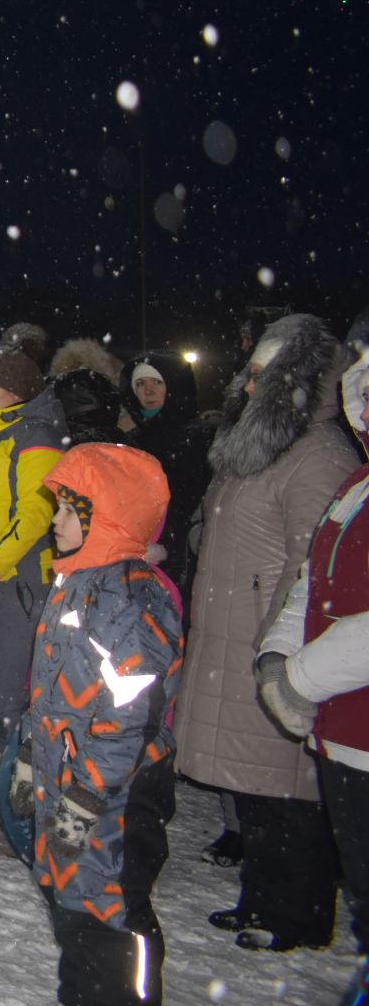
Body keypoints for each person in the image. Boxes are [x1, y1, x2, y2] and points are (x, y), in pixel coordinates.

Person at [174, 312, 358, 954]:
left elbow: (316, 566)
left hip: (267, 642)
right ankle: (263, 896)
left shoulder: (317, 456)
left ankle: (297, 913)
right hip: (232, 632)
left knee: (286, 787)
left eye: (262, 378)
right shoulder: (255, 448)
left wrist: (277, 643)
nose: (248, 389)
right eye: (248, 377)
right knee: (254, 784)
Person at [18, 442, 184, 1006]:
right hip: (69, 780)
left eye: (69, 510)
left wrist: (88, 791)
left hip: (116, 793)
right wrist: (26, 753)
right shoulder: (76, 583)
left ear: (104, 519)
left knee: (110, 914)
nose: (55, 520)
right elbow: (50, 689)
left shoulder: (129, 601)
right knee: (73, 910)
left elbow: (130, 713)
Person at [257, 312, 369, 1004]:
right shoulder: (355, 486)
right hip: (343, 734)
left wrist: (298, 678)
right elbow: (312, 577)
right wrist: (277, 653)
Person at [0, 342, 68, 762]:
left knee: (5, 692)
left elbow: (35, 515)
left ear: (15, 390)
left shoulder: (38, 437)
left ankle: (8, 789)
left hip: (19, 580)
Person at [119, 351, 213, 599]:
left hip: (183, 554)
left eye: (157, 382)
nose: (148, 391)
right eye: (140, 384)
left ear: (173, 386)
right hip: (136, 553)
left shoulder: (199, 437)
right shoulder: (131, 440)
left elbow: (197, 501)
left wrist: (169, 543)